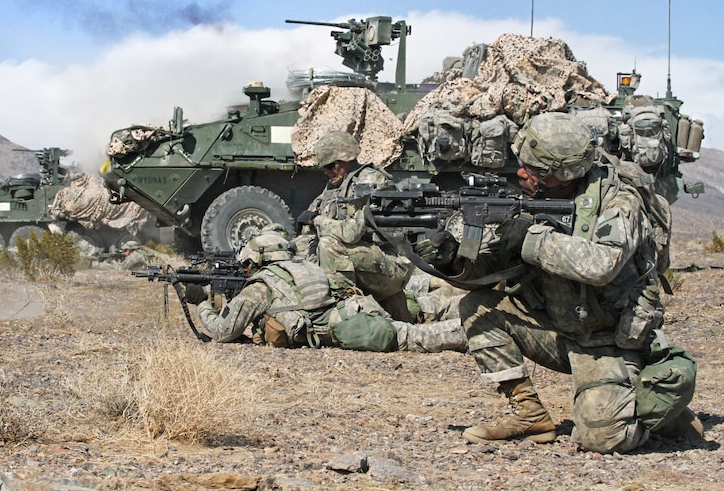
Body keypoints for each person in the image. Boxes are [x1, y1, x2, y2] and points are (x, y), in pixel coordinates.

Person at [425, 112, 701, 454]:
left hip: (608, 343)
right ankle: (530, 415)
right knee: (478, 308)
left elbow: (602, 264)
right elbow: (493, 270)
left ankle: (656, 402)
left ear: (563, 174)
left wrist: (531, 239)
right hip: (558, 332)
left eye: (534, 169)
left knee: (601, 439)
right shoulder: (529, 198)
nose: (521, 173)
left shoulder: (620, 201)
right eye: (523, 164)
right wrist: (453, 261)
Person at [192, 230, 467, 353]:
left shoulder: (262, 286)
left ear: (257, 260)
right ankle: (471, 309)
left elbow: (223, 333)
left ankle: (473, 330)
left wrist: (201, 303)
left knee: (414, 338)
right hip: (361, 306)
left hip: (351, 324)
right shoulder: (304, 266)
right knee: (422, 313)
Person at [297, 130, 414, 323]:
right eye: (324, 168)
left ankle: (345, 312)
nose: (326, 172)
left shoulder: (369, 181)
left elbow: (351, 232)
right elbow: (312, 219)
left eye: (329, 166)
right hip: (366, 261)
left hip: (391, 265)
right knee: (302, 249)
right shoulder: (336, 184)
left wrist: (316, 221)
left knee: (328, 245)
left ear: (343, 161)